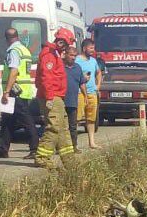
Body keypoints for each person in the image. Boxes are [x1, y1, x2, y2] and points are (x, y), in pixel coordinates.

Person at [35, 28, 77, 169]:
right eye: (66, 45)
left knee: (63, 128)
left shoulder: (55, 54)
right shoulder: (49, 55)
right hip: (52, 96)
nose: (67, 48)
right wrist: (49, 97)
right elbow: (46, 78)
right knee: (54, 126)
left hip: (57, 96)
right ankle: (42, 157)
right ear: (61, 42)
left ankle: (68, 158)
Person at [0, 27, 38, 160]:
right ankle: (2, 149)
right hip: (23, 90)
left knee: (26, 121)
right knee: (7, 120)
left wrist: (6, 92)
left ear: (7, 39)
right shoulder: (24, 49)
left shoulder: (14, 51)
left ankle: (35, 148)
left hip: (16, 92)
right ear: (17, 36)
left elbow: (14, 71)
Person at [76, 38, 102, 149]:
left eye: (93, 48)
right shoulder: (76, 60)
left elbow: (99, 72)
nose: (93, 50)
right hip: (79, 93)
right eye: (91, 48)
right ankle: (73, 143)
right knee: (76, 118)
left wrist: (98, 86)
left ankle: (91, 142)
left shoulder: (93, 61)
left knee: (91, 119)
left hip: (92, 93)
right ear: (84, 48)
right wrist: (82, 78)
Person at [63, 45, 86, 151]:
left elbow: (82, 83)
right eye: (71, 55)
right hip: (61, 101)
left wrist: (85, 96)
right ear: (65, 54)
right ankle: (60, 147)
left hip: (72, 101)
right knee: (60, 126)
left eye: (75, 56)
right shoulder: (60, 66)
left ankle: (74, 147)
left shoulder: (77, 67)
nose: (73, 58)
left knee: (73, 126)